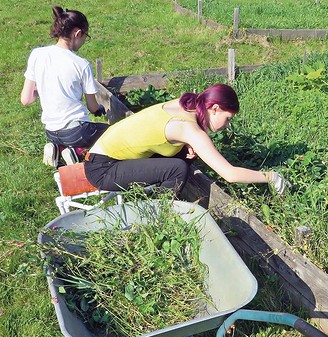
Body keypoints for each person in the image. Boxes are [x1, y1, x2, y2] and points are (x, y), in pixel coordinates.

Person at [84, 83, 290, 195]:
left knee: (183, 158)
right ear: (215, 108)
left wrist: (187, 146)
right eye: (227, 119)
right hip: (103, 169)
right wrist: (270, 177)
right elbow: (231, 174)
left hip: (103, 151)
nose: (226, 126)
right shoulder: (188, 129)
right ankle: (160, 214)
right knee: (178, 169)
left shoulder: (186, 103)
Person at [20, 6, 108, 168]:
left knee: (63, 137)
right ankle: (78, 151)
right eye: (85, 37)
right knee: (110, 133)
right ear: (77, 33)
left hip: (51, 132)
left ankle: (56, 148)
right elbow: (92, 106)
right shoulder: (81, 65)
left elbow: (26, 99)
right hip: (76, 132)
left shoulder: (37, 54)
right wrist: (99, 109)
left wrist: (45, 87)